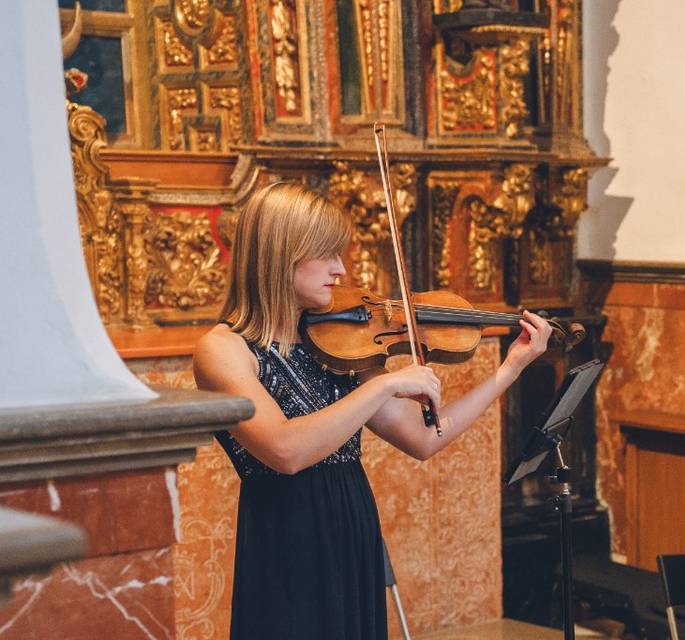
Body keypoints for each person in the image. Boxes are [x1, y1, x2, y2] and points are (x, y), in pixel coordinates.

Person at [192, 182, 552, 640]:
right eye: (327, 255)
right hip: (285, 538)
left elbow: (424, 440)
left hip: (352, 522)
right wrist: (383, 385)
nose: (341, 270)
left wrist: (509, 370)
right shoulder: (224, 350)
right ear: (281, 254)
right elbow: (285, 451)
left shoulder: (336, 342)